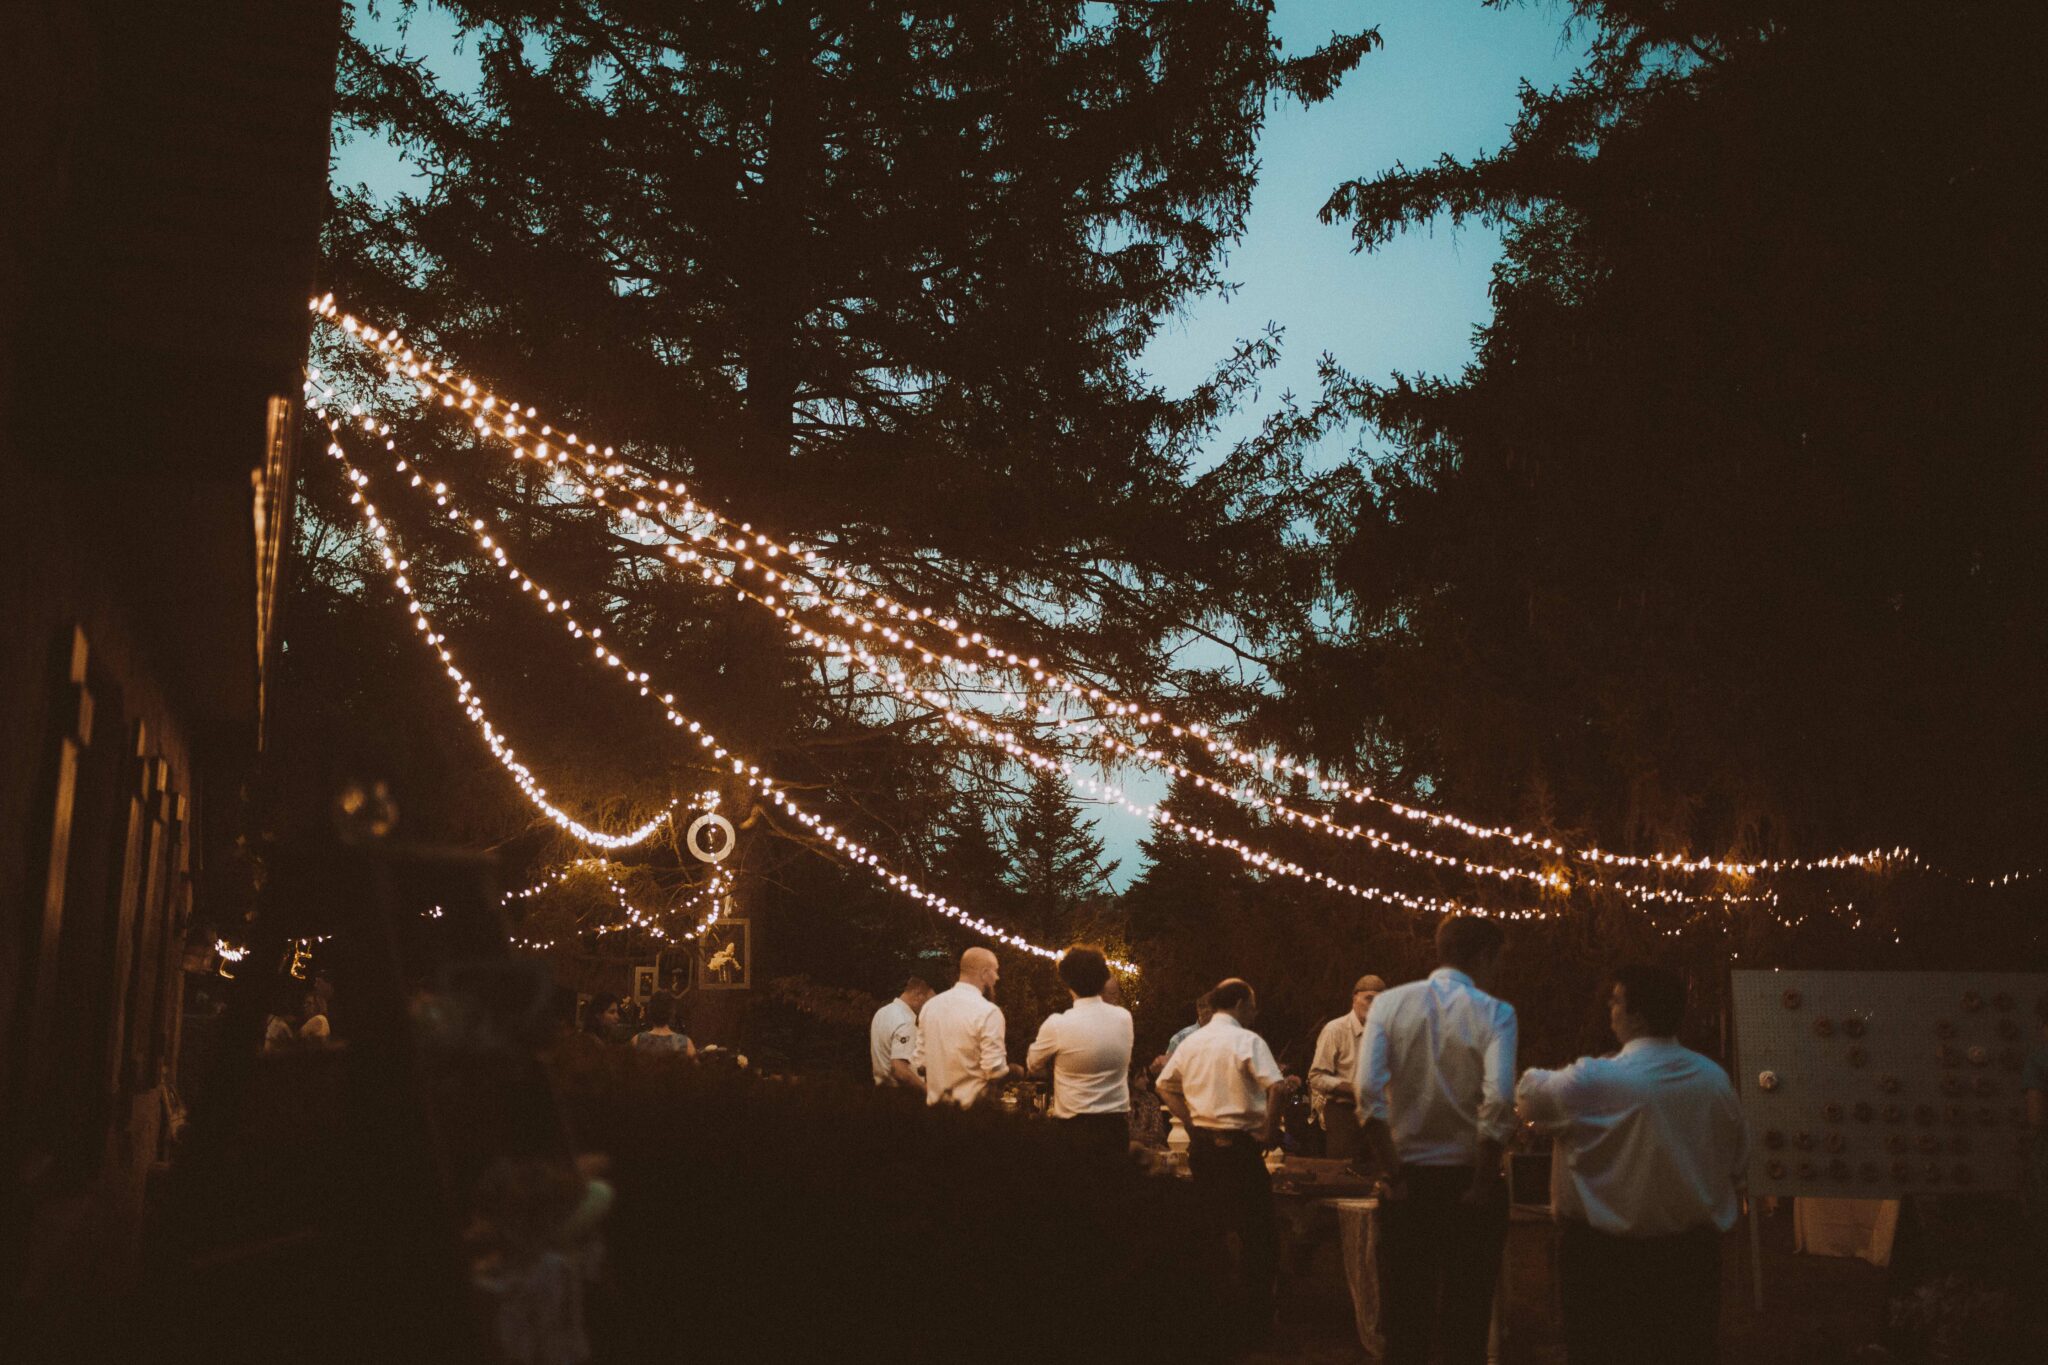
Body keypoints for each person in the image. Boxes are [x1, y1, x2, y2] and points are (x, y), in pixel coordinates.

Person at [1515, 965, 1746, 1365]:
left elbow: (1529, 1097)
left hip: (1605, 1260)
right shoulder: (1715, 1080)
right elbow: (1738, 1159)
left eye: (1617, 999)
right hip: (1691, 1259)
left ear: (1637, 1015)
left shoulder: (1598, 1078)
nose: (1611, 1007)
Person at [1357, 916, 1517, 1365]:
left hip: (1408, 1180)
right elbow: (1499, 1099)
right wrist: (1485, 1181)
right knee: (1466, 1318)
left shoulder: (1389, 1005)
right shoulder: (1495, 1012)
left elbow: (1367, 1093)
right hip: (1469, 1180)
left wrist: (1392, 1171)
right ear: (1484, 956)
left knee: (1406, 1314)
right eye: (1497, 959)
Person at [1156, 978, 1301, 1342]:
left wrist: (1190, 1121)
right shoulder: (1247, 1040)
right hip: (1240, 1149)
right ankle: (1256, 1322)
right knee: (1260, 1237)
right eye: (1253, 1005)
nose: (1255, 1012)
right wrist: (1270, 1130)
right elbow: (1277, 1085)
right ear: (1239, 1004)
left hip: (1203, 1148)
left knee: (1212, 1232)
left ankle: (1212, 1316)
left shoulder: (1192, 1042)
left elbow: (1163, 1084)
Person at [1026, 946, 1134, 1154]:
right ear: (1104, 979)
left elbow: (1033, 1063)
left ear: (1067, 982)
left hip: (1072, 1129)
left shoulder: (1057, 1024)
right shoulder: (1124, 1018)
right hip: (1115, 1127)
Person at [914, 947, 1014, 1107]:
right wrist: (1014, 1071)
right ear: (984, 973)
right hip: (971, 1114)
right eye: (995, 971)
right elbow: (995, 1070)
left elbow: (920, 1064)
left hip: (934, 1114)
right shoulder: (988, 1012)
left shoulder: (930, 1007)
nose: (997, 977)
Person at [1309, 974, 1385, 1160]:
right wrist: (1352, 1088)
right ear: (1355, 998)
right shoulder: (1335, 1030)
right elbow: (1316, 1076)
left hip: (1378, 1115)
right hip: (1344, 1114)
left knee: (1379, 1176)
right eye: (1369, 998)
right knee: (1343, 1174)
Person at [869, 976, 934, 1088]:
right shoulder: (906, 1021)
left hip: (881, 1090)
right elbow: (900, 1070)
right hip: (901, 1095)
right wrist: (927, 1091)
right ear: (918, 995)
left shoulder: (882, 1012)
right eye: (929, 1002)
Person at [1152, 992, 1214, 1076]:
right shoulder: (1181, 1038)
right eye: (1204, 1007)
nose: (1208, 1012)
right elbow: (1168, 1068)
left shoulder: (1224, 1035)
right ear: (1198, 1009)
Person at [630, 990, 694, 1056]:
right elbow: (695, 1065)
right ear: (672, 1013)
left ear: (650, 1012)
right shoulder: (685, 1044)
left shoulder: (637, 1041)